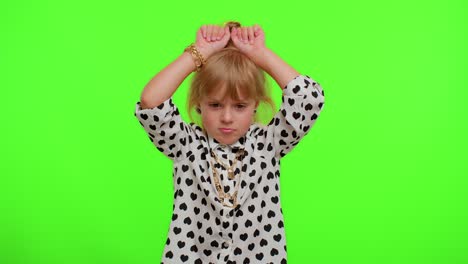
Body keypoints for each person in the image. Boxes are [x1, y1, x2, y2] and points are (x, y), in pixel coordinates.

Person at [134, 21, 325, 264]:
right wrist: (198, 53)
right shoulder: (185, 144)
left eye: (239, 106)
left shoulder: (268, 143)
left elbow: (308, 98)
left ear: (256, 106)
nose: (226, 117)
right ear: (198, 105)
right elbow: (151, 102)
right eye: (215, 105)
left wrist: (261, 55)